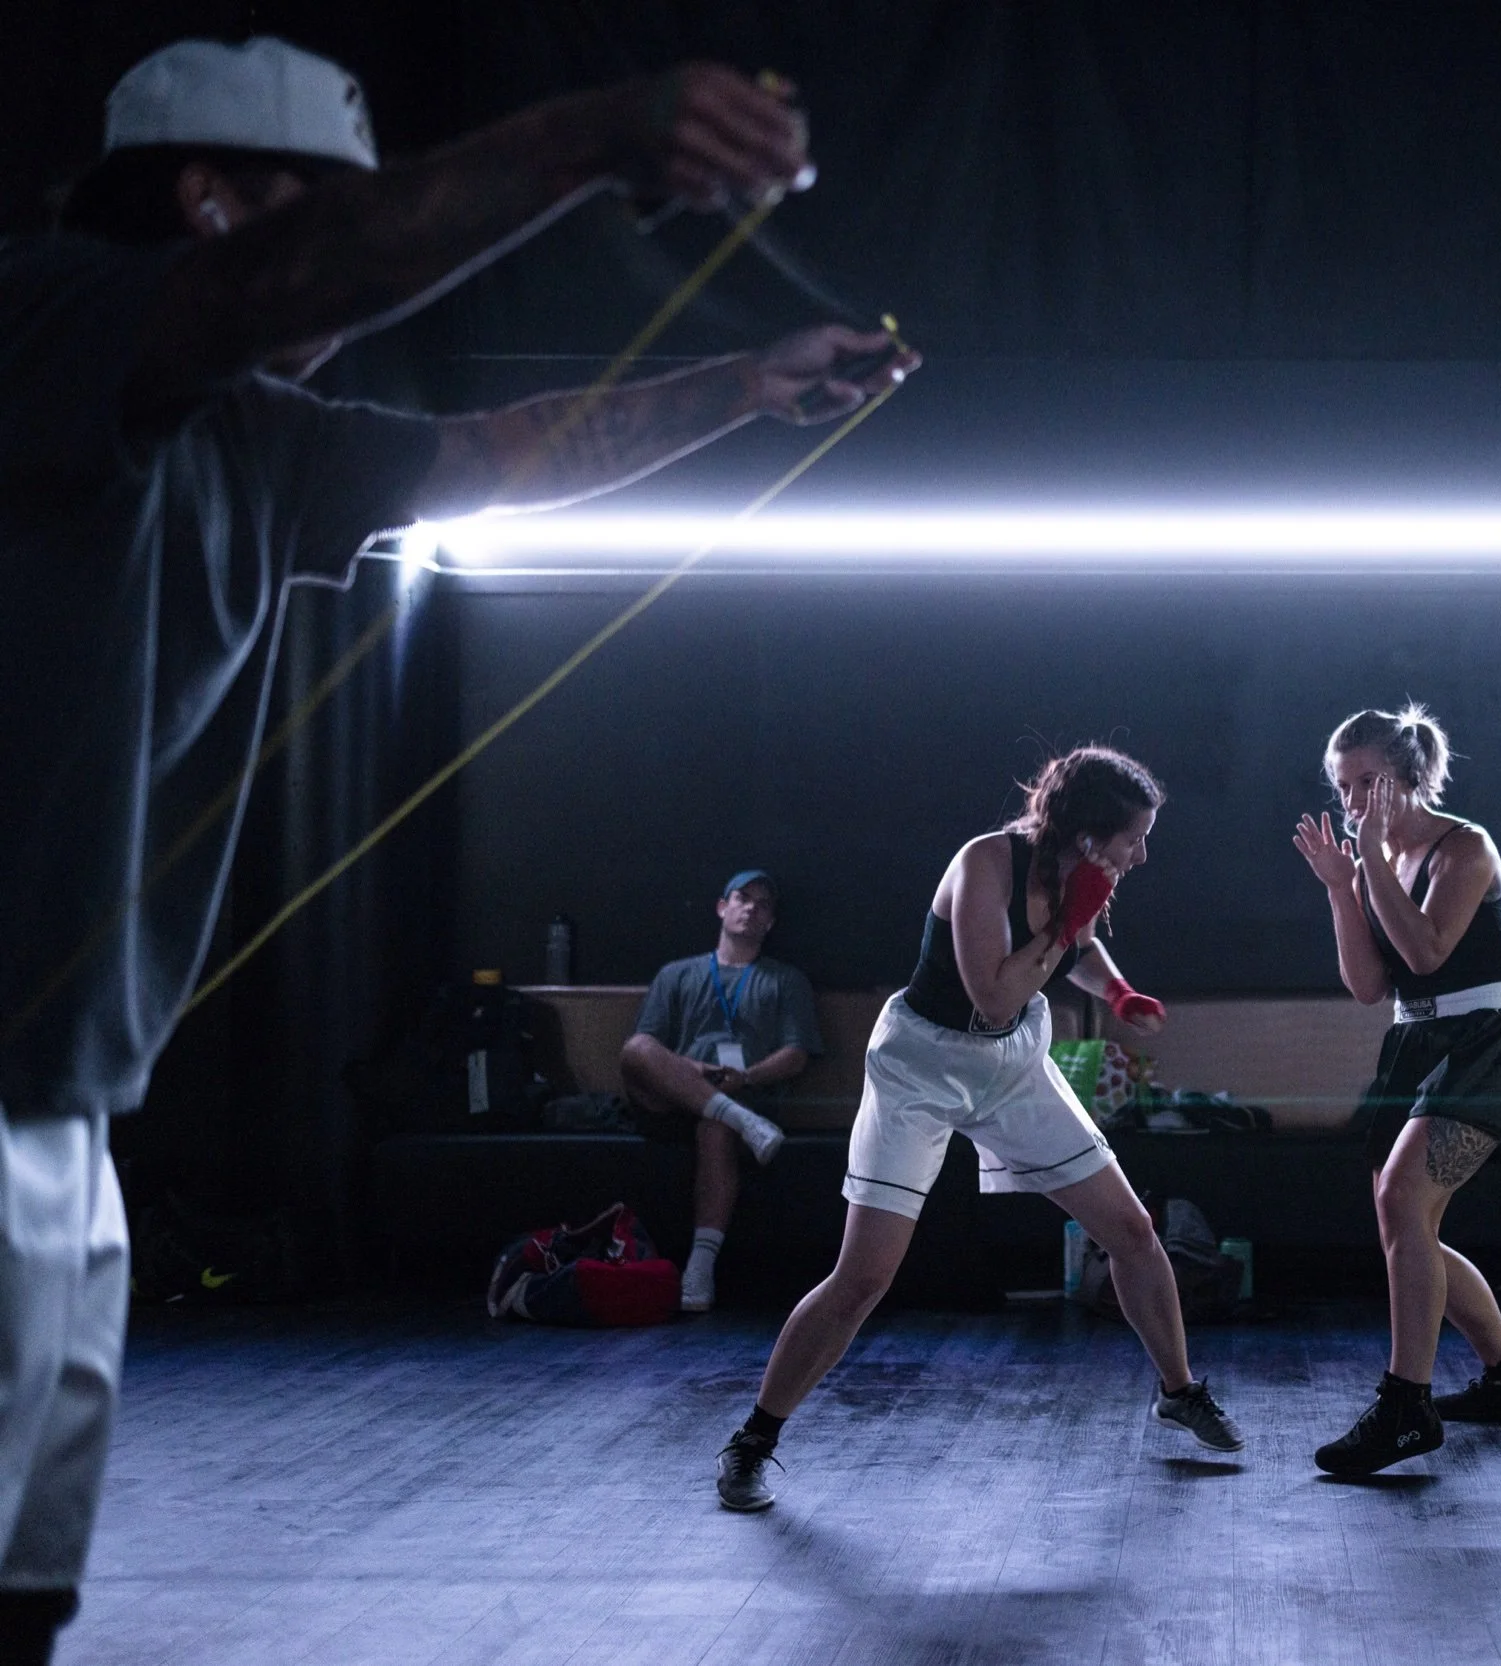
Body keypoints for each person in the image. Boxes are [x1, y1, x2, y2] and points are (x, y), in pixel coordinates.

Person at [0, 36, 913, 1659]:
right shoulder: (53, 312)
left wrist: (742, 387)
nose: (379, 282)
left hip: (62, 1087)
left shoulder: (260, 443)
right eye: (330, 225)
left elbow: (505, 455)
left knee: (26, 1560)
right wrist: (592, 131)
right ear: (211, 206)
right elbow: (287, 283)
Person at [713, 747, 1242, 1511]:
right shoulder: (986, 864)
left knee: (1132, 1231)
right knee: (863, 1277)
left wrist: (1119, 992)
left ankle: (1180, 1390)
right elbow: (992, 993)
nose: (1142, 853)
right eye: (1133, 837)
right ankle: (753, 1441)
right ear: (1090, 832)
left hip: (1013, 1065)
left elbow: (1074, 954)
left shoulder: (1077, 877)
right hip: (919, 1069)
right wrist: (1069, 921)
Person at [1291, 706, 1501, 1475]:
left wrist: (1366, 860)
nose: (1356, 799)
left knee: (1404, 1205)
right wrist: (1344, 885)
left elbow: (1430, 953)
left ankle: (1406, 1405)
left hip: (1483, 1047)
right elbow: (1372, 986)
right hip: (1414, 1046)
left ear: (1408, 777)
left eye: (1369, 781)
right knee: (1408, 1227)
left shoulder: (1466, 846)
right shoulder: (1381, 863)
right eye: (1345, 786)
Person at [619, 870, 826, 1312]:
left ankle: (700, 1265)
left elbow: (797, 1053)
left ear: (770, 921)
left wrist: (746, 1077)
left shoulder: (785, 980)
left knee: (716, 1128)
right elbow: (647, 1045)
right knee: (636, 1049)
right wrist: (694, 1067)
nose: (751, 908)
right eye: (742, 897)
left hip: (742, 1091)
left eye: (763, 904)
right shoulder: (677, 974)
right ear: (722, 907)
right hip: (676, 1094)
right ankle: (741, 1121)